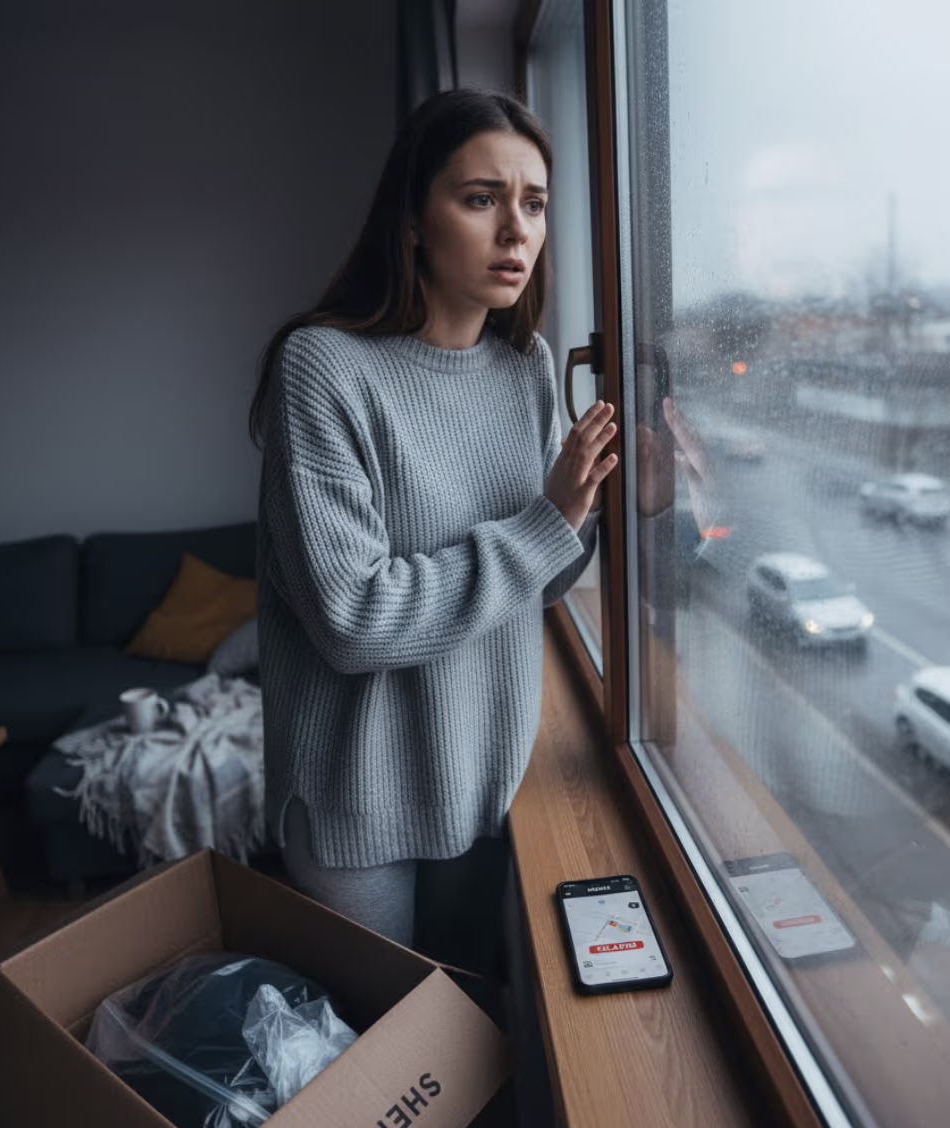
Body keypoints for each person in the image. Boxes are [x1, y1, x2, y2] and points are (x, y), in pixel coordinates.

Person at [247, 88, 671, 964]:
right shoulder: (322, 368)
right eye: (482, 198)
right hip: (359, 804)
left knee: (485, 1045)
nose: (516, 230)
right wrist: (550, 518)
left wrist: (623, 502)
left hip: (488, 781)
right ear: (411, 218)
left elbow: (542, 576)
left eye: (535, 203)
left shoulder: (526, 366)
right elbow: (352, 620)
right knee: (395, 1068)